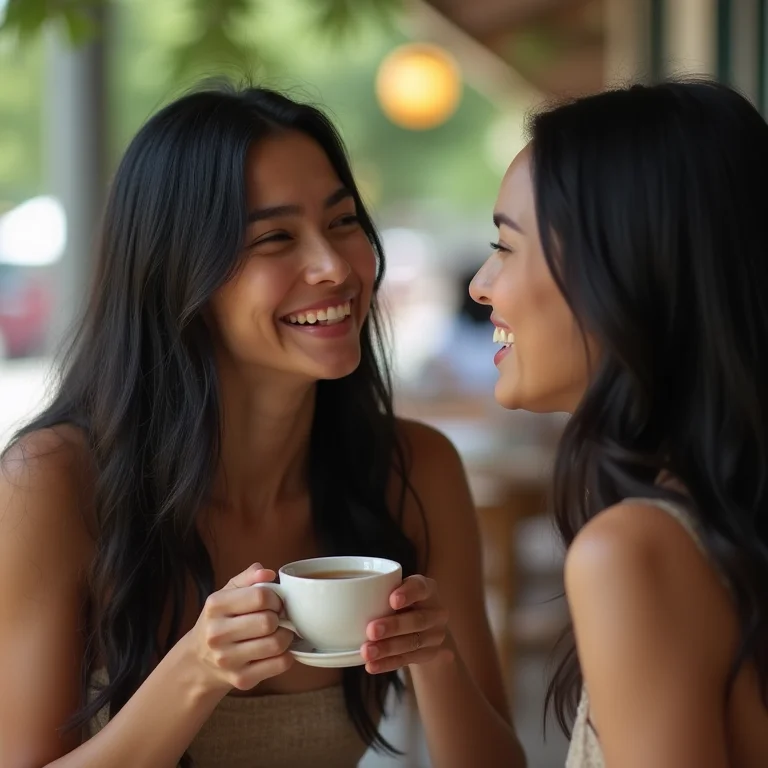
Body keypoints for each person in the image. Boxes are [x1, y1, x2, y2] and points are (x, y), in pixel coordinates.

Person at [0, 83, 525, 768]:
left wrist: (435, 655)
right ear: (177, 272)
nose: (334, 267)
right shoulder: (52, 485)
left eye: (343, 221)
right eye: (276, 237)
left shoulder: (414, 469)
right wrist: (195, 672)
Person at [470, 78, 768, 768]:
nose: (481, 284)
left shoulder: (634, 551)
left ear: (625, 270)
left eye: (507, 246)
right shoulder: (721, 520)